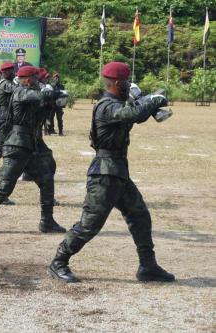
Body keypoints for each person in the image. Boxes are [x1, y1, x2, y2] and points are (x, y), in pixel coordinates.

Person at [48, 61, 175, 283]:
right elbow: (132, 114)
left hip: (118, 172)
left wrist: (149, 103)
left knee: (140, 216)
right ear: (118, 83)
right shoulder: (107, 105)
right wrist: (155, 99)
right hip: (105, 174)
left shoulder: (118, 103)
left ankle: (148, 266)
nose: (129, 85)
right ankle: (58, 262)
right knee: (90, 224)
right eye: (126, 82)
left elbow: (137, 114)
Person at [0, 66, 66, 235]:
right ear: (26, 79)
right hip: (17, 144)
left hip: (33, 143)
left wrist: (51, 104)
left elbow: (40, 115)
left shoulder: (32, 94)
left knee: (47, 179)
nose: (37, 81)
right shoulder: (20, 92)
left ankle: (47, 221)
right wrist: (52, 93)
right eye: (34, 78)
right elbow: (38, 96)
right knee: (6, 185)